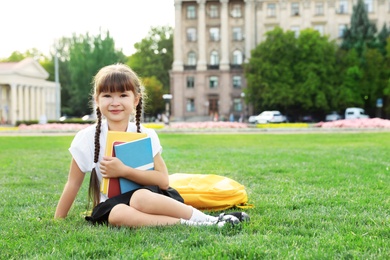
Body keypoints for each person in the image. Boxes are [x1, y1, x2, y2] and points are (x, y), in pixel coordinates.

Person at [54, 63, 249, 228]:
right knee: (117, 215)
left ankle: (210, 220)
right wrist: (58, 220)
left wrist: (123, 170)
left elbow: (163, 181)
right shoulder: (87, 137)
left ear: (136, 100)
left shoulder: (146, 134)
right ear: (97, 100)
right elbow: (73, 183)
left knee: (139, 197)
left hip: (150, 196)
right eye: (107, 96)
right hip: (111, 204)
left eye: (123, 95)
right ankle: (193, 224)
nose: (115, 102)